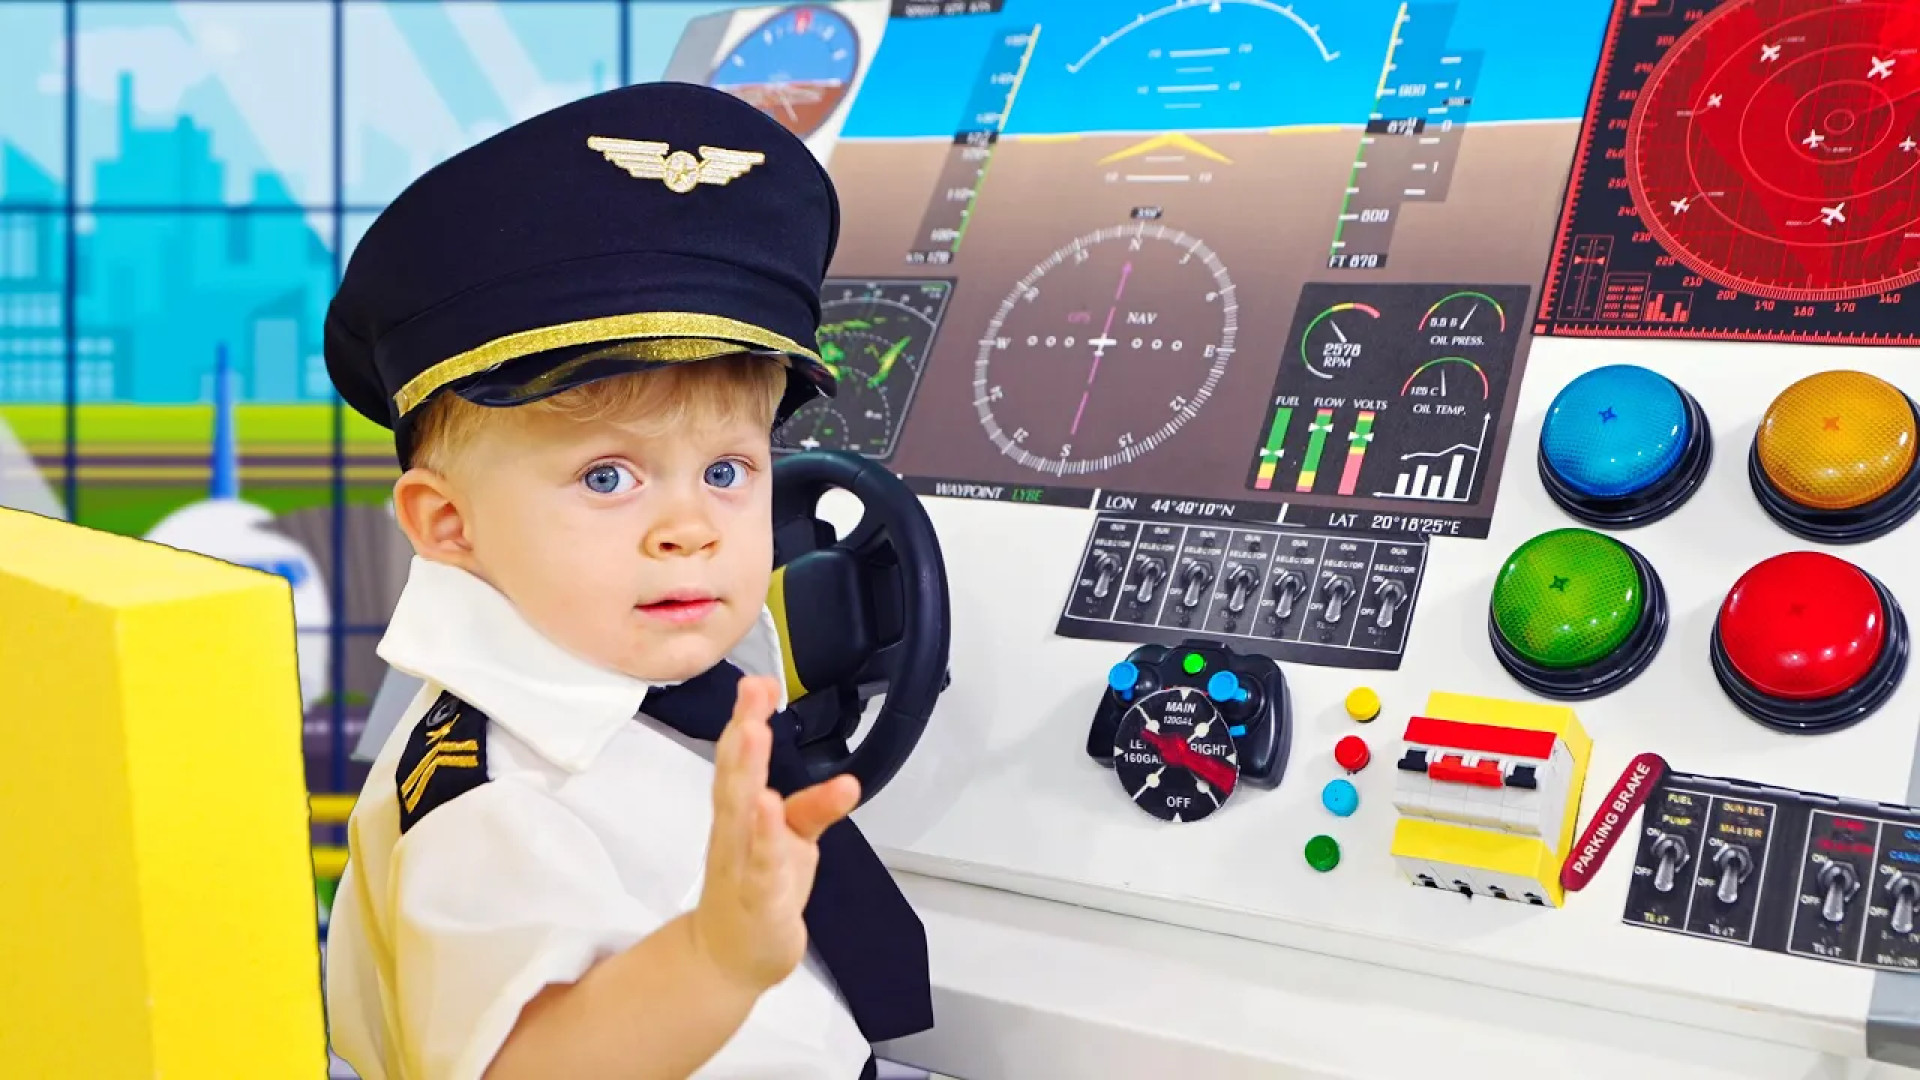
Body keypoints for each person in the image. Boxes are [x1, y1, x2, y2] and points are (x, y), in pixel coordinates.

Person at [320, 81, 934, 1080]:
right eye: (608, 477)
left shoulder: (668, 679)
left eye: (727, 472)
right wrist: (715, 957)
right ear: (450, 525)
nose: (690, 528)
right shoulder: (493, 798)